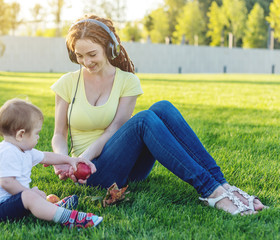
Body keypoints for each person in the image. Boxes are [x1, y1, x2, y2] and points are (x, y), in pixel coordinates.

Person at [50, 15, 266, 216]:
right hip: (93, 174)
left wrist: (83, 156)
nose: (86, 62)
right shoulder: (68, 83)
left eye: (92, 54)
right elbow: (59, 134)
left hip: (126, 167)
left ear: (109, 48)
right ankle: (213, 192)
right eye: (79, 56)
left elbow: (115, 128)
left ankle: (223, 185)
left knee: (162, 108)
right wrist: (64, 159)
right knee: (144, 120)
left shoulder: (127, 81)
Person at [0, 98, 103, 229]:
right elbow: (7, 183)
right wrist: (29, 192)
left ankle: (52, 209)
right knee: (29, 196)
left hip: (11, 203)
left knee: (30, 196)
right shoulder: (9, 153)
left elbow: (46, 156)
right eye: (36, 133)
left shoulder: (24, 150)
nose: (38, 137)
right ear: (20, 135)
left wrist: (70, 160)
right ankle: (70, 218)